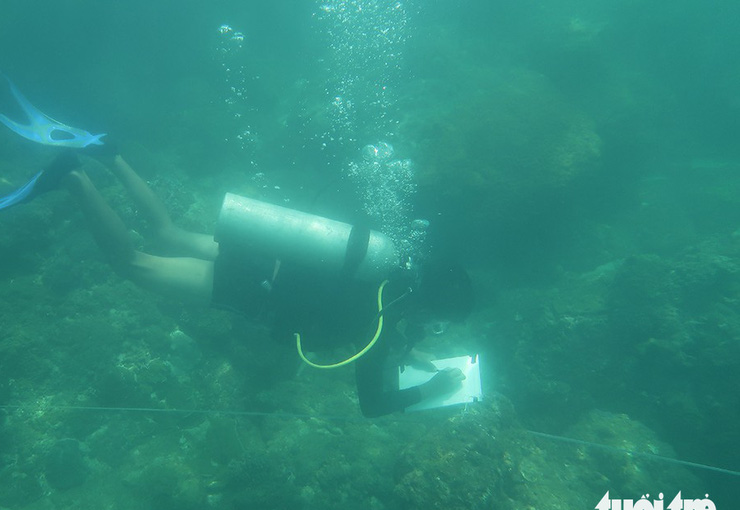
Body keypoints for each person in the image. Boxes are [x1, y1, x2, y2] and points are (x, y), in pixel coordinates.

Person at [45, 150, 472, 417]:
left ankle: (110, 155)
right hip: (248, 287)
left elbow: (370, 314)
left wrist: (410, 350)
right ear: (427, 307)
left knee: (168, 234)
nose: (431, 328)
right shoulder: (380, 326)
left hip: (268, 254)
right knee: (133, 264)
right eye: (437, 324)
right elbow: (372, 405)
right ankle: (76, 180)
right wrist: (428, 391)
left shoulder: (388, 273)